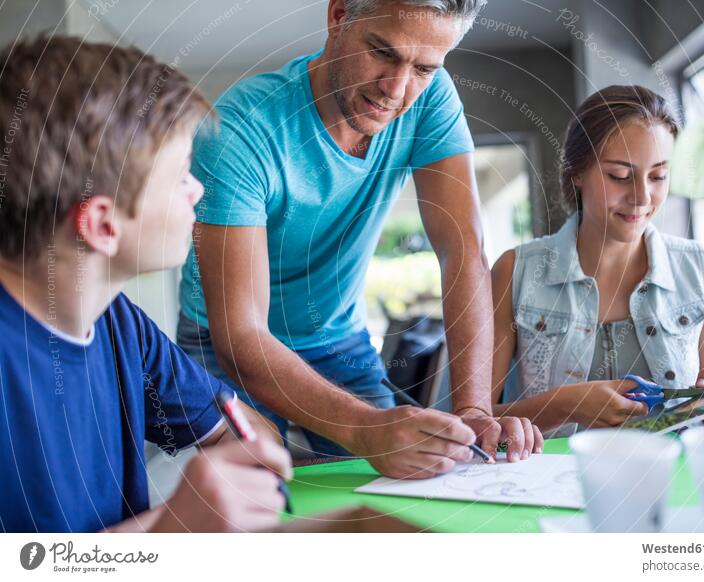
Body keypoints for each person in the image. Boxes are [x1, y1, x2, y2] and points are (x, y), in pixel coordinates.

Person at [179, 0, 541, 476]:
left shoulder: (431, 99)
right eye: (381, 51)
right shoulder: (241, 130)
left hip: (337, 337)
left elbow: (463, 249)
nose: (396, 89)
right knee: (250, 500)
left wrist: (475, 409)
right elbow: (243, 335)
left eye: (424, 68)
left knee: (407, 486)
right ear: (338, 15)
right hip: (222, 342)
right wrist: (367, 429)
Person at [0, 36, 291, 532]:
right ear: (103, 226)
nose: (196, 188)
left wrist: (246, 463)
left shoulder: (117, 321)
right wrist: (171, 530)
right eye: (180, 175)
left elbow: (242, 432)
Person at [490, 85, 704, 437]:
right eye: (620, 176)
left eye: (658, 176)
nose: (641, 197)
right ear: (577, 173)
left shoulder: (700, 270)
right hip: (548, 488)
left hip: (673, 484)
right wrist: (565, 405)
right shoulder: (516, 271)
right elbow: (471, 421)